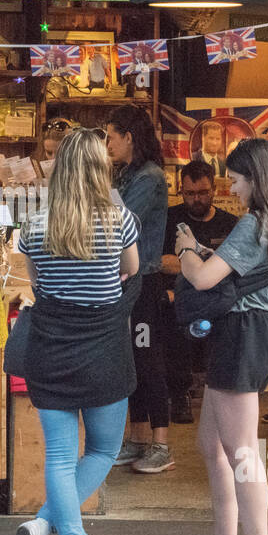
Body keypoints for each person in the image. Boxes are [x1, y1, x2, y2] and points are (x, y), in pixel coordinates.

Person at [174, 138, 268, 535]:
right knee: (212, 445)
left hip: (242, 334)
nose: (230, 189)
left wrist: (186, 247)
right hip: (255, 330)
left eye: (234, 180)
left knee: (243, 454)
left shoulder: (254, 224)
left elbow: (200, 277)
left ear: (254, 178)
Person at [7, 128, 140, 535]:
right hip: (103, 348)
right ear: (101, 170)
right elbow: (132, 269)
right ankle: (55, 531)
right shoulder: (118, 221)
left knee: (60, 457)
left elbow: (37, 284)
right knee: (104, 448)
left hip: (51, 347)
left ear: (60, 170)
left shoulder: (35, 227)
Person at [105, 105, 173, 474]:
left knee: (148, 359)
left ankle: (161, 444)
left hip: (143, 282)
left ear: (128, 136)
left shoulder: (149, 177)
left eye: (110, 136)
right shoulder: (127, 173)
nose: (107, 144)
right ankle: (137, 437)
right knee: (129, 359)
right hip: (124, 280)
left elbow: (122, 222)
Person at [160, 160, 239, 424]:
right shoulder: (170, 219)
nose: (196, 199)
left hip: (219, 297)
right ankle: (180, 393)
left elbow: (235, 266)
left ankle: (223, 391)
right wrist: (201, 268)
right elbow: (161, 261)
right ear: (181, 191)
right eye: (190, 193)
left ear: (214, 189)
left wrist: (185, 263)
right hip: (179, 296)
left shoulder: (230, 223)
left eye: (203, 192)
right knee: (173, 314)